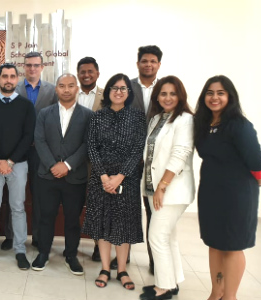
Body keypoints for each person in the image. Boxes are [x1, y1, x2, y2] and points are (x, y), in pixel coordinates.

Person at [194, 75, 261, 300]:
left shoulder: (239, 125)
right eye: (210, 93)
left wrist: (254, 184)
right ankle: (216, 292)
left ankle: (230, 296)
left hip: (236, 195)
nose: (214, 97)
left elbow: (257, 164)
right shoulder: (204, 125)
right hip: (210, 192)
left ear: (230, 97)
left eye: (220, 93)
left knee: (232, 246)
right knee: (214, 243)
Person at [82, 73, 146, 290]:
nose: (119, 92)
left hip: (126, 179)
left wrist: (119, 177)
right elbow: (91, 147)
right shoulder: (97, 117)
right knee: (102, 223)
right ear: (108, 91)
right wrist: (103, 176)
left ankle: (122, 270)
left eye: (123, 88)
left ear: (129, 93)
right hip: (101, 179)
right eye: (114, 88)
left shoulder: (137, 117)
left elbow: (138, 149)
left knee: (123, 224)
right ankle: (105, 268)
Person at [138, 76, 195, 300]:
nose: (168, 97)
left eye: (173, 93)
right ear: (157, 97)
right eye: (163, 93)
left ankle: (162, 288)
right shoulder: (157, 119)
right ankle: (173, 281)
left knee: (156, 236)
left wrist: (162, 186)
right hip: (155, 188)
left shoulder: (185, 119)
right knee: (168, 236)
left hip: (172, 189)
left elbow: (180, 154)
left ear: (180, 95)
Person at [31, 74, 93, 275]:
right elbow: (39, 141)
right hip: (47, 175)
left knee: (72, 218)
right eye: (62, 86)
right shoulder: (44, 113)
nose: (66, 89)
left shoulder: (88, 115)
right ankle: (43, 253)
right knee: (46, 216)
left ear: (77, 89)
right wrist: (52, 165)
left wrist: (67, 165)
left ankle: (71, 255)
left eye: (70, 86)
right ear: (56, 89)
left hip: (74, 177)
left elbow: (87, 144)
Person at [0, 64, 35, 270]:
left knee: (18, 208)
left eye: (12, 76)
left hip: (18, 165)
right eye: (4, 76)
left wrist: (9, 162)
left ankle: (20, 250)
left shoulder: (26, 106)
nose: (8, 80)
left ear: (17, 79)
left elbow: (28, 136)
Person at [122, 45, 163, 273]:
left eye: (153, 61)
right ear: (138, 64)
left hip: (156, 159)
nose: (149, 64)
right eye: (145, 61)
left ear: (158, 65)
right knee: (128, 207)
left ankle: (155, 259)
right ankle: (123, 254)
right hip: (130, 157)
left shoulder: (166, 88)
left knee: (153, 210)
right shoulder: (127, 86)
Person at [10, 51, 58, 250]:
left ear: (42, 67)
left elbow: (55, 120)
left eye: (36, 65)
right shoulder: (14, 88)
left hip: (41, 151)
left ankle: (38, 236)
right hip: (17, 150)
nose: (32, 68)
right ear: (23, 67)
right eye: (28, 65)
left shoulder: (52, 90)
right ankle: (11, 236)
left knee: (39, 195)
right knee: (14, 194)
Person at [76, 56, 104, 262]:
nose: (86, 75)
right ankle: (72, 243)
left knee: (97, 205)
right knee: (74, 203)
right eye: (83, 72)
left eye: (90, 72)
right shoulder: (70, 94)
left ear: (97, 73)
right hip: (74, 159)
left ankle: (97, 245)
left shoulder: (107, 96)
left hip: (99, 160)